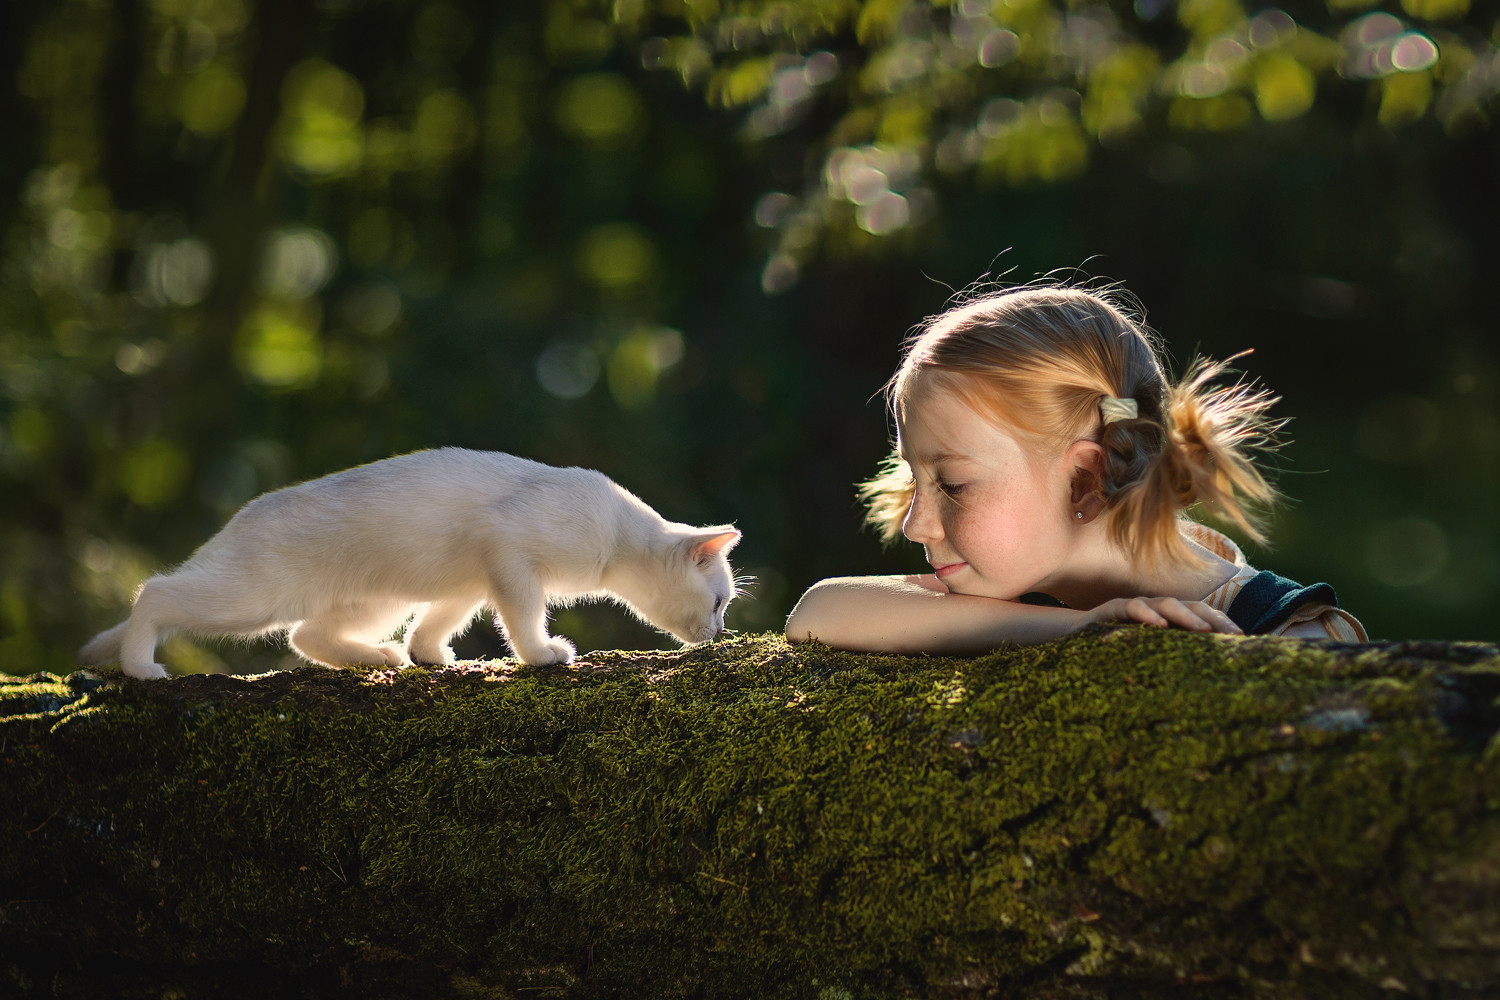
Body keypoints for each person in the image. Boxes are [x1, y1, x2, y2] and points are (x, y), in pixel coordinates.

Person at [785, 282, 1366, 654]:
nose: (915, 524)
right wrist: (1083, 632)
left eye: (954, 484)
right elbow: (819, 611)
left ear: (1084, 480)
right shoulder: (1028, 593)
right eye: (916, 480)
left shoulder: (1291, 633)